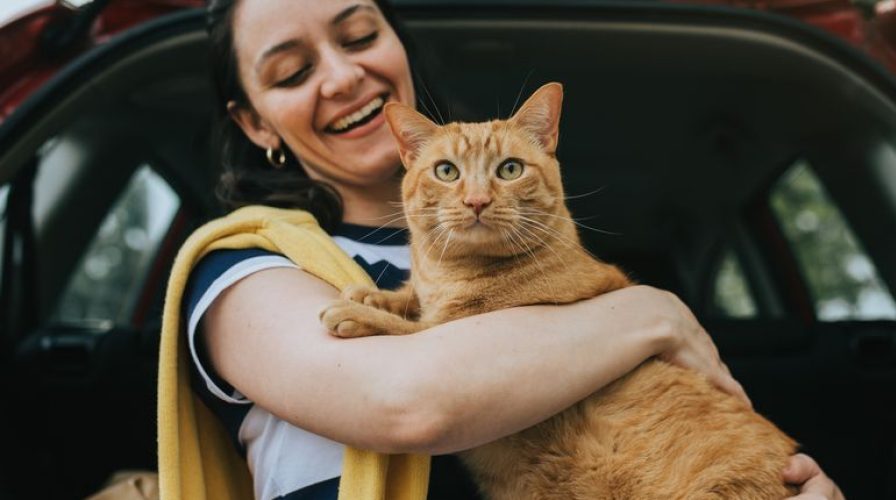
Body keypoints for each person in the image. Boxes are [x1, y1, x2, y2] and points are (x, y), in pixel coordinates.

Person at [184, 0, 846, 498]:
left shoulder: (538, 252)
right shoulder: (246, 265)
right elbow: (407, 400)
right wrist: (653, 314)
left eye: (360, 36)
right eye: (293, 71)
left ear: (397, 46)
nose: (341, 76)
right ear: (253, 121)